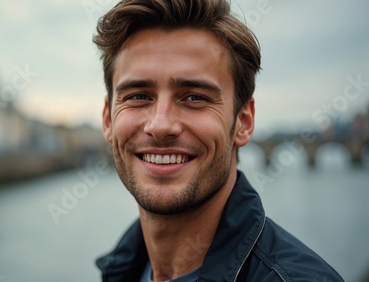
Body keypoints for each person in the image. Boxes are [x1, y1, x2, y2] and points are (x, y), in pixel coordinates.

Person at [92, 0, 344, 281]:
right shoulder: (122, 269)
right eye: (138, 96)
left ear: (243, 122)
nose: (160, 125)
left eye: (195, 97)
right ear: (108, 120)